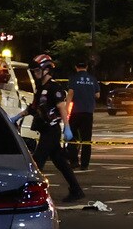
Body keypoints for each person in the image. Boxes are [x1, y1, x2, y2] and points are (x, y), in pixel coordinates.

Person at [18, 54, 84, 203]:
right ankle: (76, 190)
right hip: (45, 130)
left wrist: (67, 127)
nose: (35, 74)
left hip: (52, 130)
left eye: (36, 71)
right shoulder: (41, 88)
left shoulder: (55, 88)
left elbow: (62, 108)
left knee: (38, 160)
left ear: (46, 70)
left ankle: (29, 194)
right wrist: (17, 117)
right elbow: (34, 107)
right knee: (60, 161)